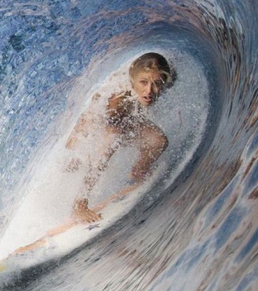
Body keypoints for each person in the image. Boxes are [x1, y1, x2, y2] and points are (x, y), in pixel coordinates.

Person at [65, 52, 175, 224]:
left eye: (157, 84)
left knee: (159, 141)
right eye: (143, 83)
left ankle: (138, 172)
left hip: (124, 118)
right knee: (101, 147)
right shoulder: (118, 100)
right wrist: (79, 152)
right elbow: (102, 142)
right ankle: (78, 204)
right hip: (94, 121)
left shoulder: (165, 78)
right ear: (133, 82)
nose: (149, 91)